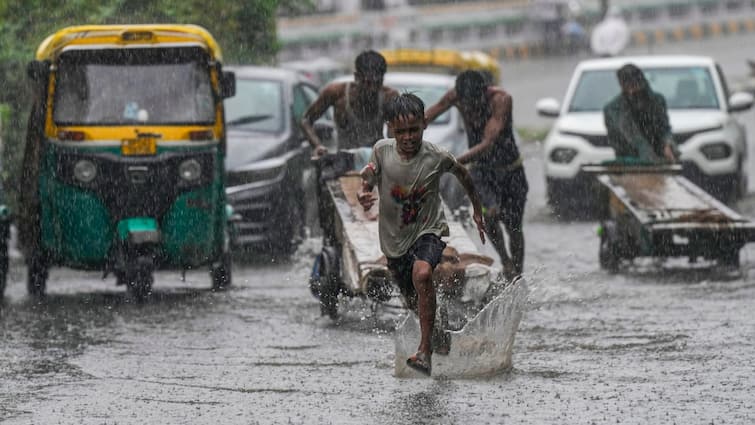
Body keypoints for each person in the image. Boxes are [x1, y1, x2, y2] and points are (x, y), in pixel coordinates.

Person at [357, 93, 486, 376]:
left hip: (430, 230)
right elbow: (367, 174)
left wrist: (477, 211)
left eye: (413, 130)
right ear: (391, 128)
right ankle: (438, 336)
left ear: (424, 124)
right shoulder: (381, 151)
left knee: (423, 273)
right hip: (394, 241)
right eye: (400, 131)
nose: (407, 137)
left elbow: (464, 175)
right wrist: (364, 191)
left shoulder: (436, 157)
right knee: (413, 300)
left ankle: (424, 351)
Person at [425, 70, 528, 282]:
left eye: (474, 103)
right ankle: (505, 260)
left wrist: (452, 162)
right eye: (466, 105)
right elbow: (429, 115)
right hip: (481, 172)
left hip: (510, 171)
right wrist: (406, 130)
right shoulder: (456, 96)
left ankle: (517, 274)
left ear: (485, 93)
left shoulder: (501, 100)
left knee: (514, 227)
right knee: (488, 215)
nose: (470, 109)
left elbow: (488, 143)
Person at [301, 50, 399, 156]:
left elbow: (393, 134)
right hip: (344, 162)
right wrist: (317, 146)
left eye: (377, 83)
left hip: (376, 160)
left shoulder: (389, 97)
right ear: (357, 77)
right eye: (368, 83)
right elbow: (306, 120)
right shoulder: (336, 93)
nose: (373, 89)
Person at [604, 64, 678, 163]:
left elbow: (664, 128)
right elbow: (618, 140)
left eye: (634, 86)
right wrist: (641, 155)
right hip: (629, 163)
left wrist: (667, 144)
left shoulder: (657, 101)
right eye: (628, 87)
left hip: (660, 160)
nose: (632, 91)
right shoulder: (613, 109)